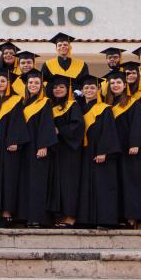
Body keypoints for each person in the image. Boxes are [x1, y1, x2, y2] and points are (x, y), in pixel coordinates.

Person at [105, 70, 141, 229]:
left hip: (130, 150)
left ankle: (133, 217)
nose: (115, 85)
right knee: (115, 183)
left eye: (118, 83)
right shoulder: (107, 104)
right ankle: (118, 216)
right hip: (113, 150)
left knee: (132, 183)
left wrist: (136, 144)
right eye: (112, 83)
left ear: (125, 85)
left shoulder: (133, 103)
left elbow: (139, 124)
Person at [74, 75, 121, 228]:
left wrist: (104, 152)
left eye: (92, 88)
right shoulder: (78, 108)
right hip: (83, 152)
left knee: (103, 185)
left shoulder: (105, 109)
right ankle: (85, 219)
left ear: (99, 89)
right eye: (86, 88)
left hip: (99, 152)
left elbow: (109, 131)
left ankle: (105, 220)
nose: (89, 90)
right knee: (85, 185)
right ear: (82, 90)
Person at [0, 69, 29, 227]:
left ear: (8, 83)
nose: (0, 84)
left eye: (3, 81)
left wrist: (15, 141)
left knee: (9, 178)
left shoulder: (16, 100)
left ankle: (8, 213)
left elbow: (19, 122)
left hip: (10, 146)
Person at [15, 69, 58, 227]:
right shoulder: (22, 102)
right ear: (26, 85)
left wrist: (44, 145)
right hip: (25, 148)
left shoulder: (45, 102)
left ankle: (37, 218)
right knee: (26, 181)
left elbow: (47, 125)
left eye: (37, 83)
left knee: (38, 183)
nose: (33, 85)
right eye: (31, 83)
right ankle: (26, 216)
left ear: (41, 86)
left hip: (38, 148)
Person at [46, 75, 84, 228]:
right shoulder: (50, 106)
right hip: (56, 150)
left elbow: (77, 126)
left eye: (61, 87)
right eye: (55, 87)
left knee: (69, 183)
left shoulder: (73, 106)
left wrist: (59, 130)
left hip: (70, 150)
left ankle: (70, 216)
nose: (58, 89)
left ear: (67, 89)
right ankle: (60, 214)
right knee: (57, 183)